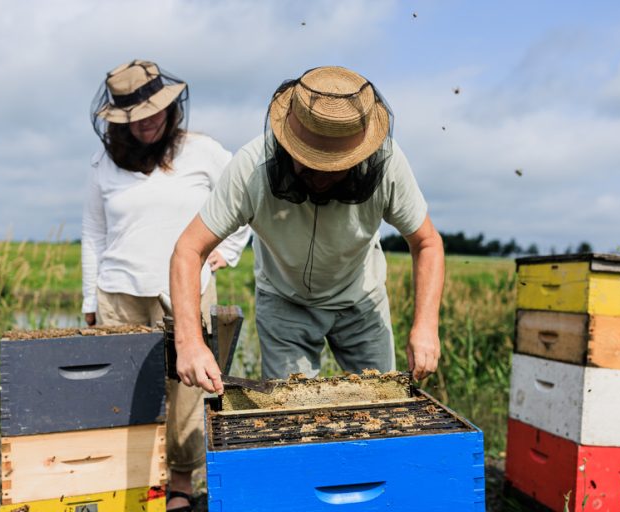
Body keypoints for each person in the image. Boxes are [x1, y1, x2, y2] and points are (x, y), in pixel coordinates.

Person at [169, 65, 444, 395]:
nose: (322, 173)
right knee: (290, 410)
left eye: (336, 166)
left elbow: (427, 242)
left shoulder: (387, 165)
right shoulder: (251, 166)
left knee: (380, 401)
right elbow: (189, 249)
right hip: (286, 302)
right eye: (311, 161)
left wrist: (426, 326)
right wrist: (188, 342)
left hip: (361, 301)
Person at [82, 59, 250, 512]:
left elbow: (245, 197)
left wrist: (228, 251)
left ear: (171, 107)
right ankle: (136, 486)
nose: (149, 121)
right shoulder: (103, 164)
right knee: (123, 397)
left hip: (186, 291)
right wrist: (88, 295)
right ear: (119, 122)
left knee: (186, 391)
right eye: (136, 117)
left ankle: (179, 485)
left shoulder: (205, 152)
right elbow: (94, 232)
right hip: (117, 292)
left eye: (156, 110)